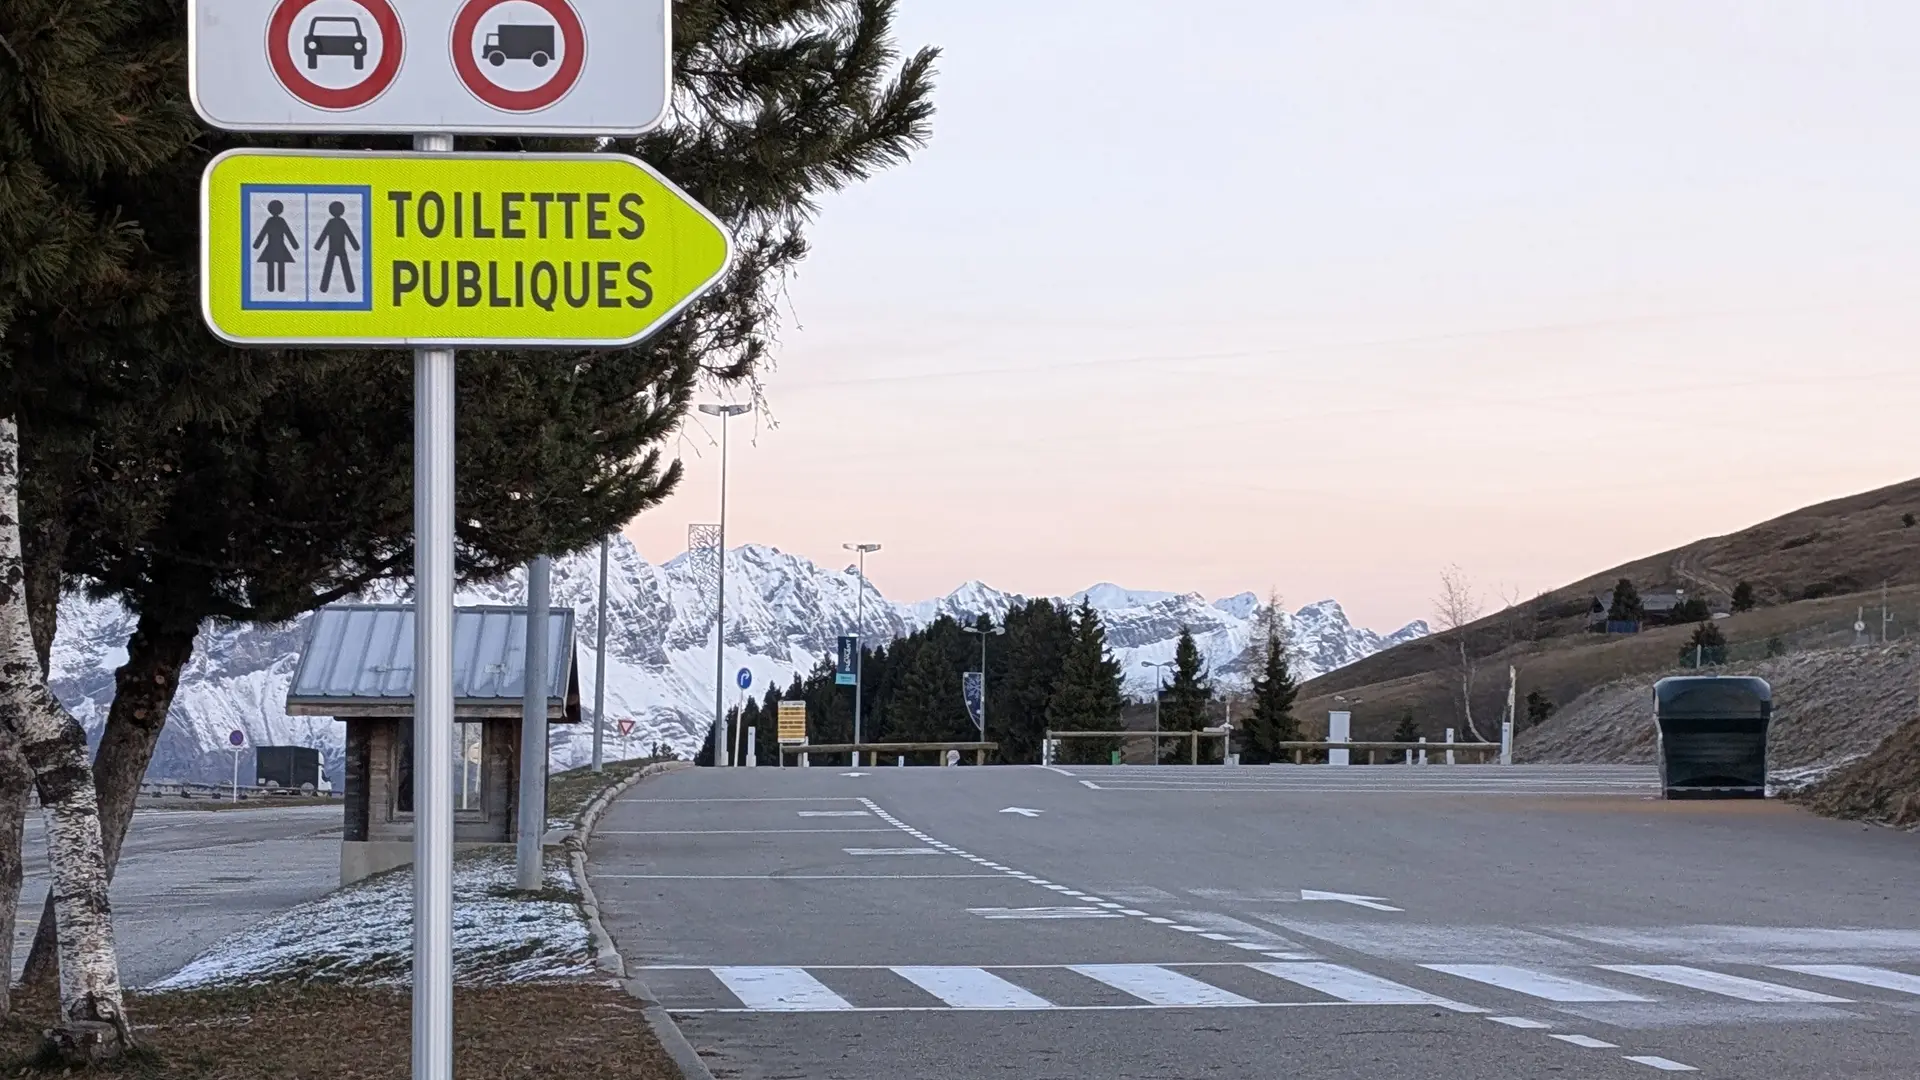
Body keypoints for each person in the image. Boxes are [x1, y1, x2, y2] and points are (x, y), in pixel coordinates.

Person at [251, 199, 299, 293]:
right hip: (279, 247)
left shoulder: (272, 221)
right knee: (278, 266)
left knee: (272, 267)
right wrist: (294, 245)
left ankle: (272, 287)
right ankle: (278, 288)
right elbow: (288, 233)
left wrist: (257, 245)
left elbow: (263, 233)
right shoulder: (280, 221)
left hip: (272, 247)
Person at [314, 200, 360, 295]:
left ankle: (324, 288)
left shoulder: (333, 222)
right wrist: (355, 246)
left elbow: (324, 234)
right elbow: (349, 234)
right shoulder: (340, 222)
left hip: (334, 249)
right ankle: (350, 288)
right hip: (339, 249)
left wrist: (318, 246)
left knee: (331, 267)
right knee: (343, 267)